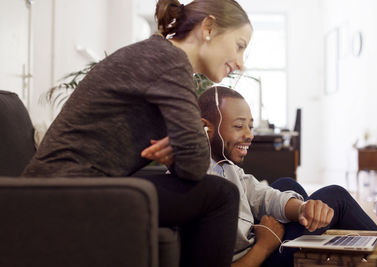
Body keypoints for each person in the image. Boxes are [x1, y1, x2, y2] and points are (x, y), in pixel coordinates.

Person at [22, 1, 253, 266]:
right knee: (221, 195)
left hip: (65, 188)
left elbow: (191, 163)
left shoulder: (160, 55)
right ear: (208, 27)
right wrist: (185, 149)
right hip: (61, 193)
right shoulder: (169, 62)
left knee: (210, 191)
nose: (241, 63)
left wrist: (182, 151)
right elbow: (197, 163)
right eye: (240, 46)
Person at [196, 86, 377, 267]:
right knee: (337, 196)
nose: (249, 135)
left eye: (250, 127)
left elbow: (263, 196)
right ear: (206, 127)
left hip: (258, 244)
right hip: (257, 257)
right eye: (238, 126)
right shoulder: (195, 190)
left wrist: (303, 209)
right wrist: (264, 246)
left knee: (287, 185)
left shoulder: (226, 168)